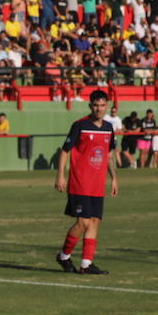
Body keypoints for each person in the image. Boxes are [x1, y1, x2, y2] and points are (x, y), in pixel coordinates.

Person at [55, 90, 118, 275]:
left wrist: (114, 177)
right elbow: (65, 151)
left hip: (98, 184)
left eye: (102, 105)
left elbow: (108, 154)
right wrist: (60, 175)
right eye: (96, 105)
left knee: (94, 222)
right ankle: (64, 256)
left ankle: (86, 264)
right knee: (82, 222)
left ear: (107, 106)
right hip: (80, 182)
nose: (99, 109)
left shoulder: (108, 127)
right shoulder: (80, 125)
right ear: (90, 106)